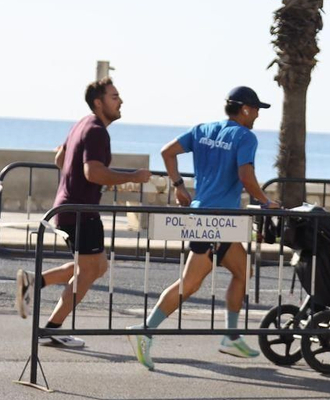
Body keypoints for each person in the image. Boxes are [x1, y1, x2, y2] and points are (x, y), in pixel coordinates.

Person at [134, 86, 276, 369]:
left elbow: (167, 152)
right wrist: (266, 201)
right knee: (190, 283)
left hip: (215, 219)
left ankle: (231, 336)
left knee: (242, 270)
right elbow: (246, 175)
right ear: (244, 109)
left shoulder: (203, 130)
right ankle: (145, 330)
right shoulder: (245, 136)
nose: (258, 115)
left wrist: (178, 186)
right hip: (215, 220)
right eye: (255, 109)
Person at [14, 78, 148, 348]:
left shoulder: (82, 124)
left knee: (95, 267)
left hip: (70, 208)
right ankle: (52, 328)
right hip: (80, 212)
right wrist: (133, 176)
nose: (120, 101)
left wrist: (77, 180)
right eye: (114, 97)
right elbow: (93, 172)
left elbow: (59, 159)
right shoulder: (97, 131)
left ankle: (33, 282)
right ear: (99, 102)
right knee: (89, 270)